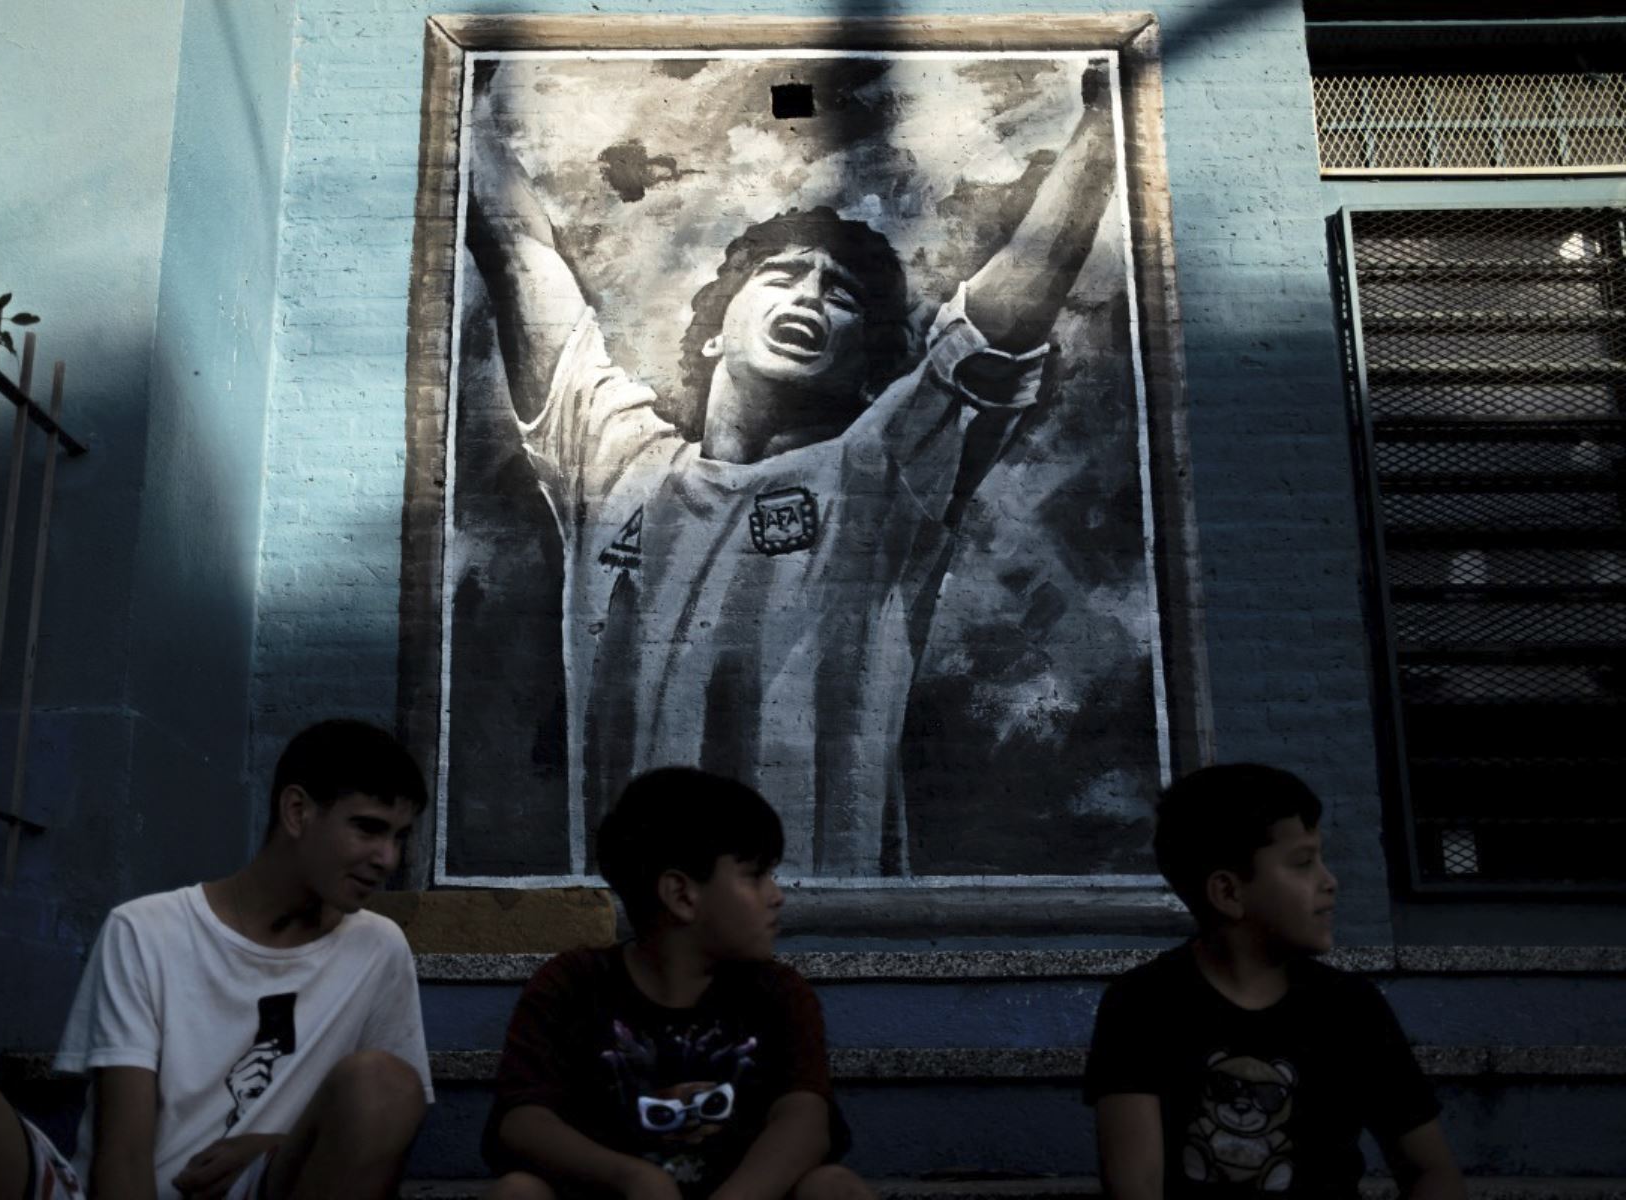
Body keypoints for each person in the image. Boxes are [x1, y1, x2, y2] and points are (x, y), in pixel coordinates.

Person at [463, 63, 1121, 877]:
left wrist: (1104, 126)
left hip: (818, 922)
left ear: (865, 371)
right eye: (782, 275)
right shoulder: (615, 460)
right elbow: (520, 257)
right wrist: (471, 106)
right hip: (630, 924)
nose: (809, 296)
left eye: (841, 296)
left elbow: (1008, 308)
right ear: (714, 333)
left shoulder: (878, 478)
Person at [0, 718, 434, 1200]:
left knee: (386, 1084)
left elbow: (377, 1130)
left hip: (255, 1186)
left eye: (400, 836)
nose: (387, 858)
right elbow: (122, 1152)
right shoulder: (147, 930)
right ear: (298, 811)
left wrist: (272, 1143)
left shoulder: (378, 948)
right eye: (368, 829)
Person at [482, 766, 868, 1200]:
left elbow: (805, 1120)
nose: (776, 895)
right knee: (518, 1193)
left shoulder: (777, 992)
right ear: (682, 896)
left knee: (834, 1188)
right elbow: (523, 1121)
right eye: (756, 875)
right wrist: (634, 1178)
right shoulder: (572, 986)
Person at [1083, 764, 1465, 1199]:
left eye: (1321, 859)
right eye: (1303, 863)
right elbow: (1136, 1184)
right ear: (1228, 893)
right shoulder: (1141, 1005)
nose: (1329, 881)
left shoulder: (1351, 1007)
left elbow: (1431, 1171)